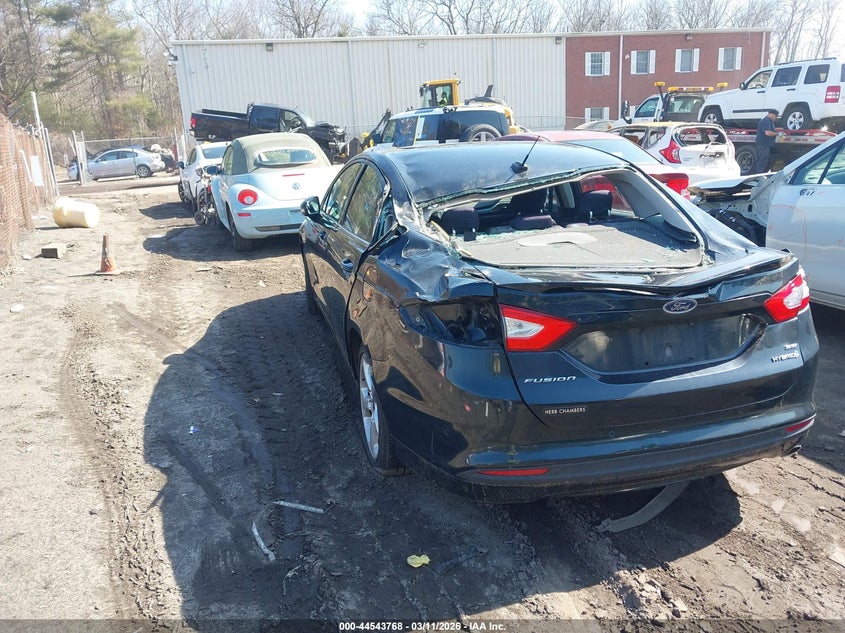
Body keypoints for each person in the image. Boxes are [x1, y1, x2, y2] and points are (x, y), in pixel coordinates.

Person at [754, 109, 781, 173]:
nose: (775, 118)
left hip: (765, 144)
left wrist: (778, 131)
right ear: (771, 114)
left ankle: (761, 174)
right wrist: (778, 134)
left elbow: (770, 130)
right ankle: (759, 176)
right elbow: (768, 133)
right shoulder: (766, 121)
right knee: (763, 160)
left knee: (764, 160)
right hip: (763, 144)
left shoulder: (769, 121)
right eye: (775, 116)